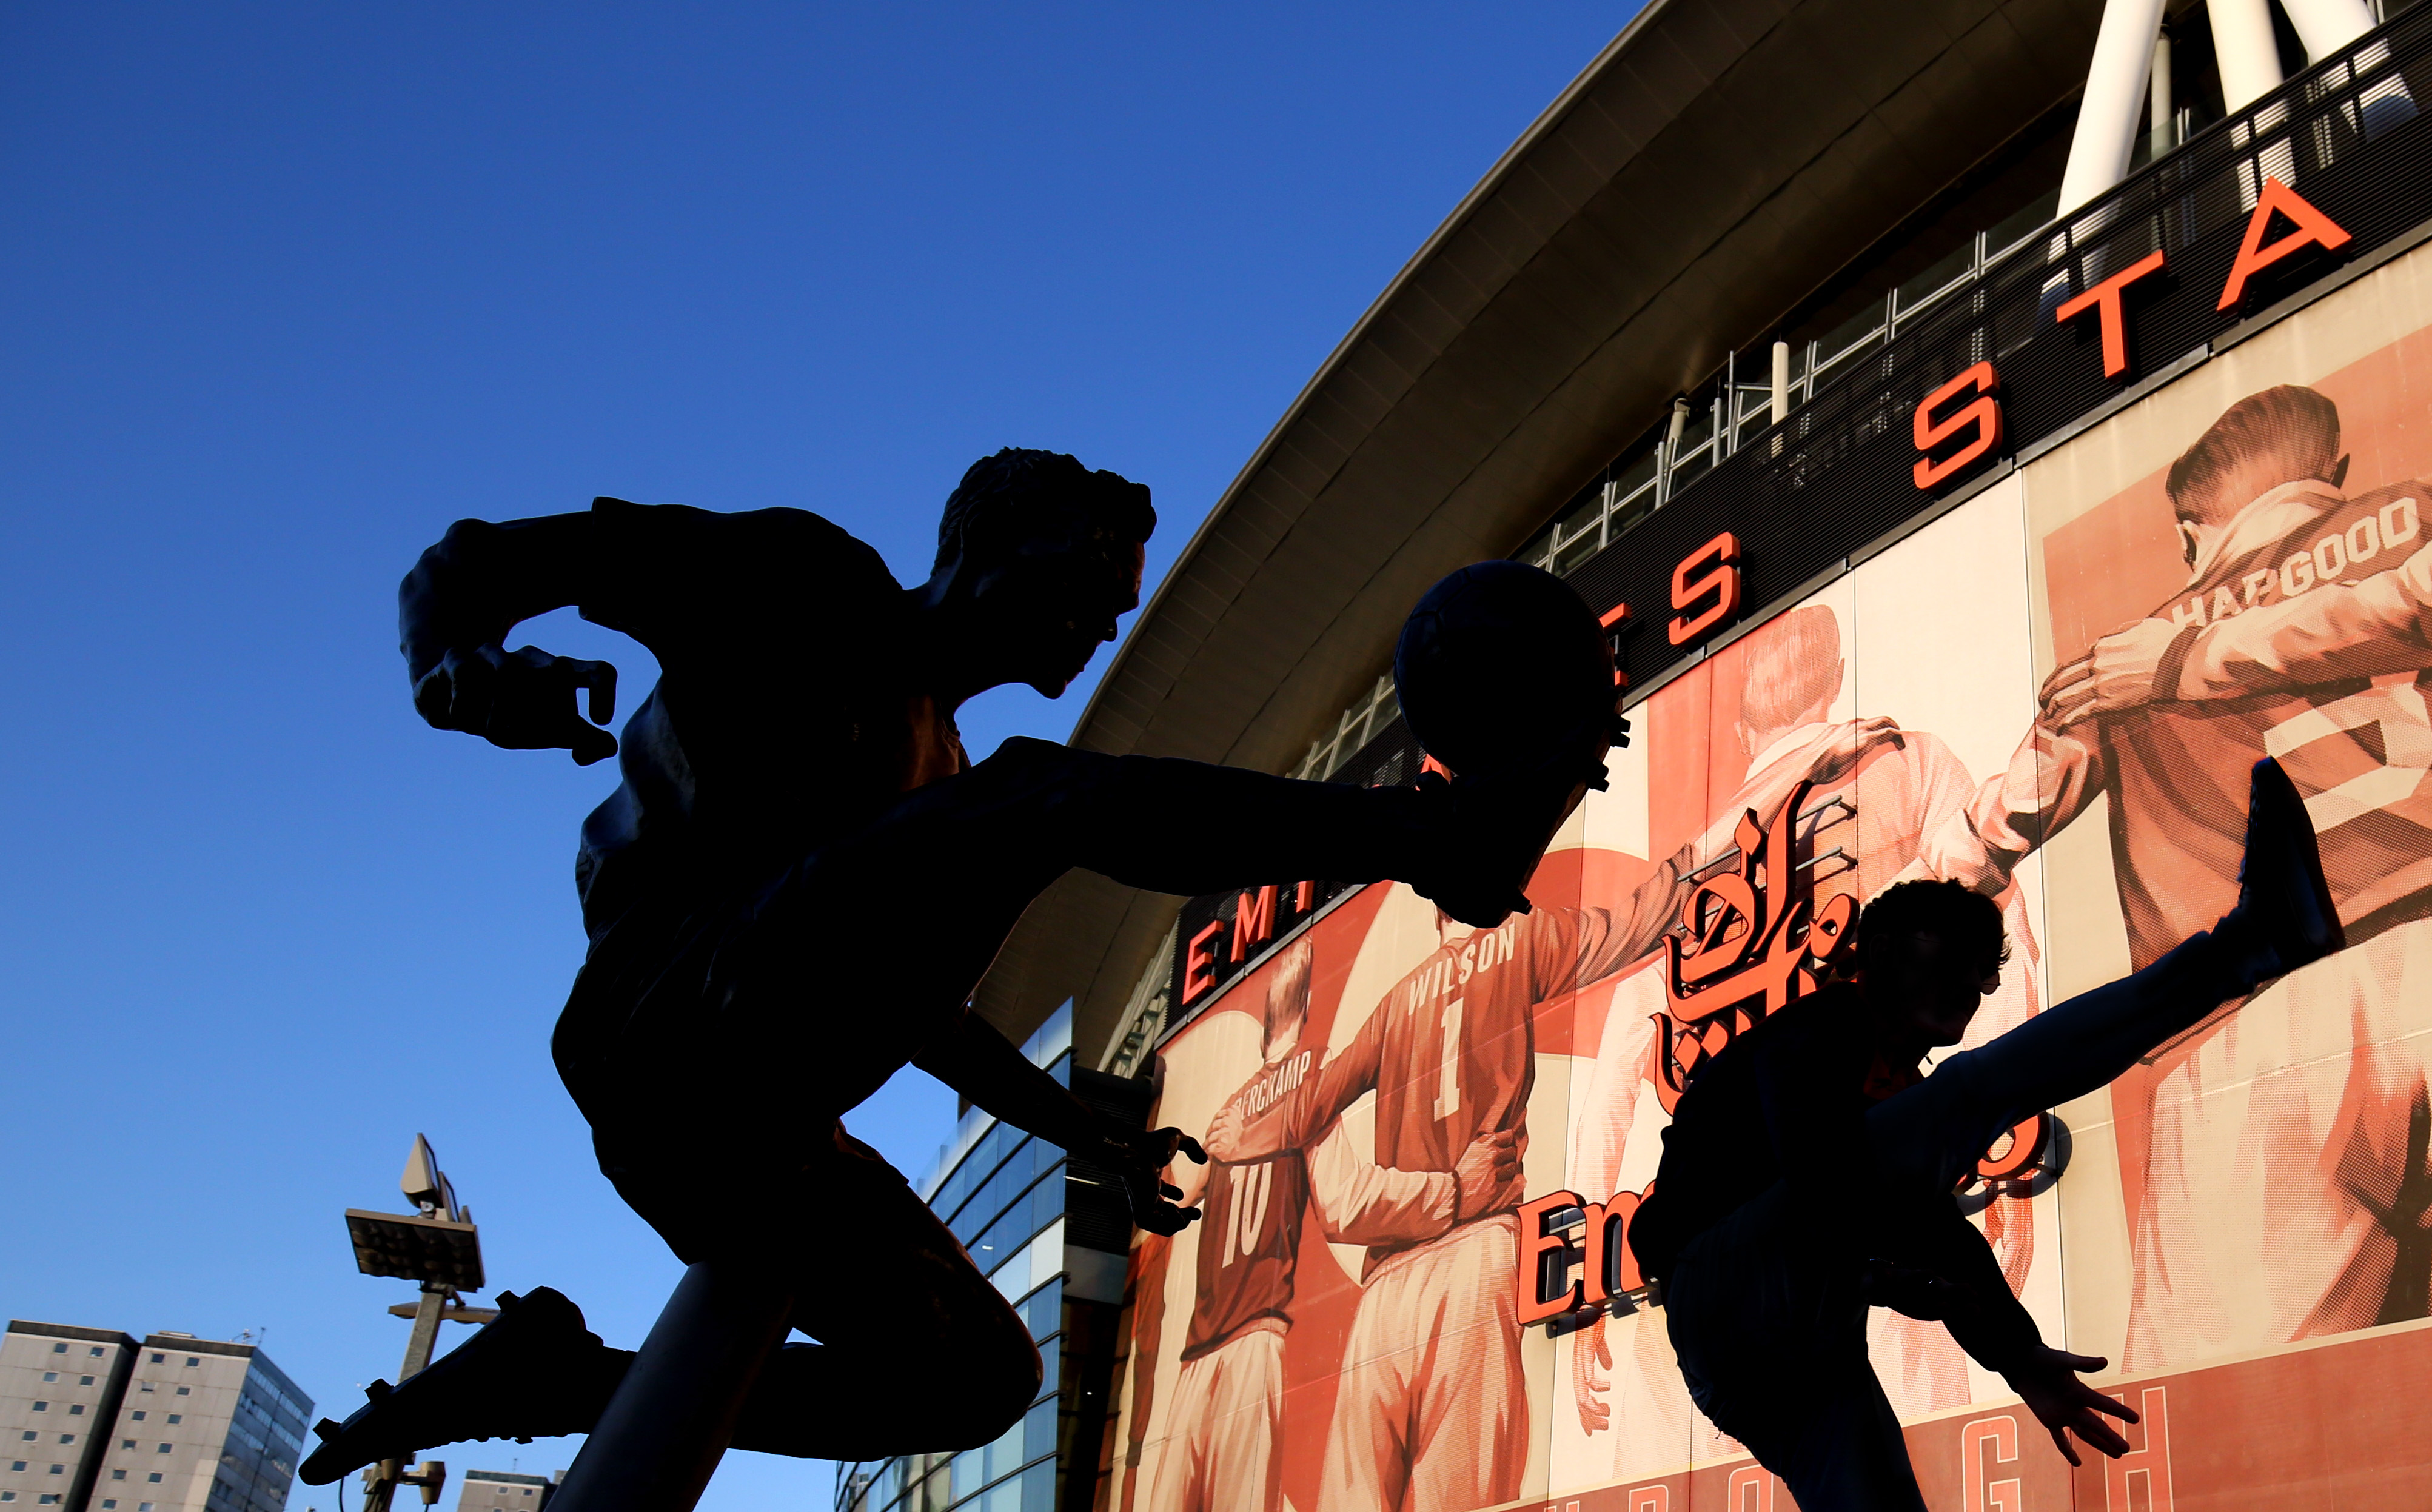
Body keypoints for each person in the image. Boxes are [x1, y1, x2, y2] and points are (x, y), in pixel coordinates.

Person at [300, 449, 1614, 1481]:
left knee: (979, 1379)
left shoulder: (946, 784)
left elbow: (920, 1010)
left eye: (1114, 605)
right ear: (990, 546)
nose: (1097, 624)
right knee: (1043, 796)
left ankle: (561, 1378)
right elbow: (463, 566)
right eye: (1086, 582)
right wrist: (461, 673)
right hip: (666, 1032)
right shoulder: (805, 584)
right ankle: (1429, 837)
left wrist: (1085, 1138)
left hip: (772, 1121)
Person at [1628, 756, 2344, 1511]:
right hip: (1720, 1288)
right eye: (1961, 960)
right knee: (1971, 1094)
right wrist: (1893, 1284)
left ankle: (2262, 939)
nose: (1981, 984)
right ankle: (2255, 940)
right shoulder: (1827, 1025)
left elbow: (1928, 1234)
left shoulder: (1885, 1099)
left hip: (1778, 1358)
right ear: (1880, 960)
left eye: (1984, 970)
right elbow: (1829, 1182)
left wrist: (2021, 1357)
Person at [1915, 384, 2432, 1364]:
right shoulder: (2415, 517)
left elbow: (1978, 839)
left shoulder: (2123, 658)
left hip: (2265, 1042)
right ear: (2334, 475)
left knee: (2248, 1423)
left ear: (2194, 530)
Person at [1567, 604, 2044, 1474]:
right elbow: (1988, 935)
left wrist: (1585, 1274)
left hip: (1732, 1249)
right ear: (1832, 680)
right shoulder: (1909, 762)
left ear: (1744, 721)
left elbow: (1608, 1086)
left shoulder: (1691, 876)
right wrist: (2002, 1160)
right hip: (1818, 1218)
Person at [1202, 897, 1646, 1512]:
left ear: (1435, 911)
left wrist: (1239, 1139)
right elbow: (1642, 915)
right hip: (1473, 1254)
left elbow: (1309, 1112)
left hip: (1384, 1289)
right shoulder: (1522, 938)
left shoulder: (1394, 1003)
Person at [1143, 938, 1521, 1512]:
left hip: (1202, 1345)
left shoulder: (1226, 1112)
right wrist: (1454, 1190)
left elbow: (1176, 1193)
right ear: (1309, 1003)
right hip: (1252, 1337)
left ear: (1261, 1026)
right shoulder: (1306, 1078)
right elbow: (1345, 1202)